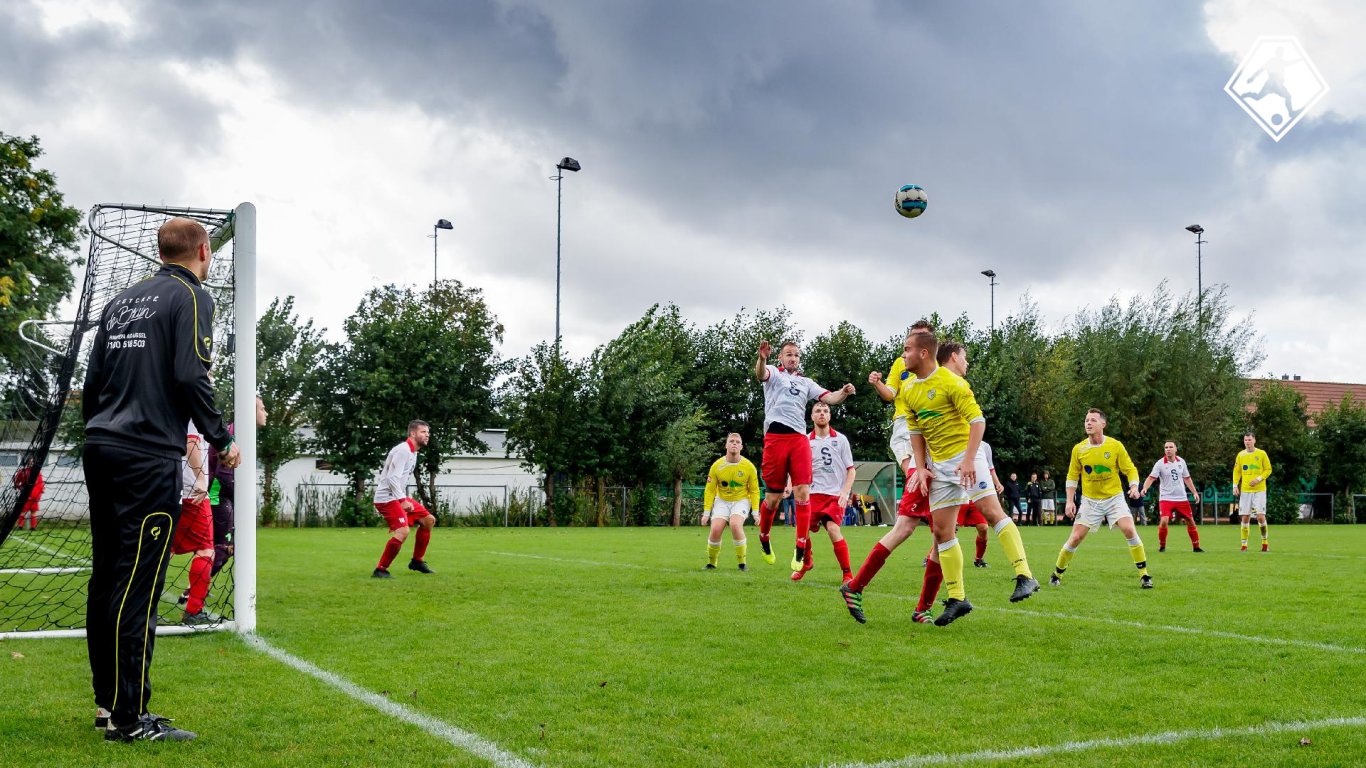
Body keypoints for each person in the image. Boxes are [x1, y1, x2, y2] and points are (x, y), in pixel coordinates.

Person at [82, 217, 240, 741]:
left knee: (106, 577)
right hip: (146, 455)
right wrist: (222, 439)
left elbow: (94, 382)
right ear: (203, 250)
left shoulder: (121, 302)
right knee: (138, 585)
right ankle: (129, 718)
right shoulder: (192, 296)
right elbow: (191, 375)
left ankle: (107, 704)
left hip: (100, 446)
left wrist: (100, 433)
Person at [840, 330, 1038, 626]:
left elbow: (978, 421)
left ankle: (1024, 575)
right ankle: (957, 598)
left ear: (923, 353)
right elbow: (916, 432)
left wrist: (970, 459)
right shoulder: (908, 391)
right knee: (943, 533)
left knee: (990, 511)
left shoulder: (952, 382)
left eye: (906, 349)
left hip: (966, 458)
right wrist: (920, 468)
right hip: (939, 467)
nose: (902, 355)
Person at [753, 340, 854, 573]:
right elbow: (760, 374)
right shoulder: (774, 375)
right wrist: (761, 358)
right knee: (773, 499)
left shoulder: (805, 382)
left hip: (798, 439)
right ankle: (764, 538)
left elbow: (829, 398)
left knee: (802, 490)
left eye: (796, 355)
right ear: (780, 358)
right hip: (775, 438)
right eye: (789, 355)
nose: (793, 358)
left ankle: (800, 547)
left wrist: (844, 393)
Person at [1050, 409, 1153, 589]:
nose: (1088, 423)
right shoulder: (1079, 449)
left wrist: (1134, 486)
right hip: (1090, 501)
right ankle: (1057, 574)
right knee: (1075, 537)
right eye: (1086, 420)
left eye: (1093, 420)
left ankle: (1144, 575)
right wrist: (1069, 501)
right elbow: (1072, 477)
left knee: (1129, 529)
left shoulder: (1115, 446)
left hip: (1114, 498)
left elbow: (1130, 469)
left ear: (1102, 424)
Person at [792, 402, 857, 583]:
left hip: (834, 495)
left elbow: (851, 469)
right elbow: (796, 468)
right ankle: (807, 563)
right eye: (818, 411)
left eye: (826, 411)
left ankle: (847, 573)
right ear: (812, 417)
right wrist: (789, 485)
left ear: (830, 416)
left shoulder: (841, 440)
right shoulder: (804, 441)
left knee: (833, 529)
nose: (822, 414)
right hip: (811, 495)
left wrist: (845, 492)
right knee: (802, 531)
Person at [371, 420, 437, 578]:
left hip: (396, 496)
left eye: (428, 432)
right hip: (387, 498)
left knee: (428, 520)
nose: (427, 435)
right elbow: (392, 478)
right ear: (413, 433)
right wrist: (402, 500)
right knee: (403, 531)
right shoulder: (403, 450)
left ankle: (417, 562)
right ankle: (380, 569)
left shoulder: (413, 452)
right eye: (423, 432)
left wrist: (402, 498)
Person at [171, 421, 215, 626]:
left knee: (162, 550)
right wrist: (200, 478)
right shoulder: (191, 411)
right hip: (191, 494)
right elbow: (191, 442)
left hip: (167, 487)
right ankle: (194, 611)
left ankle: (136, 604)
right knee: (205, 550)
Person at [701, 433, 759, 572]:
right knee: (715, 529)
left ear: (741, 446)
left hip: (741, 500)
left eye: (737, 442)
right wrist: (706, 513)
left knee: (735, 524)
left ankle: (742, 563)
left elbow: (754, 491)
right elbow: (709, 491)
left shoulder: (749, 467)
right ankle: (711, 563)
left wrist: (756, 513)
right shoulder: (717, 466)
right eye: (731, 441)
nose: (734, 443)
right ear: (726, 445)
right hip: (722, 501)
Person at [1141, 441, 1202, 553]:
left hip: (1181, 498)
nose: (1168, 449)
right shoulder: (1160, 463)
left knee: (1190, 521)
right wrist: (1145, 488)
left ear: (1175, 449)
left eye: (1170, 447)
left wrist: (1194, 492)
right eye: (1166, 447)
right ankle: (1162, 546)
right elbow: (1151, 478)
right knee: (1164, 521)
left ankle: (1196, 547)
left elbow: (1187, 478)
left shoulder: (1181, 462)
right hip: (1166, 498)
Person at [1233, 432, 1272, 552]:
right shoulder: (1240, 455)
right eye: (1245, 440)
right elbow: (1237, 471)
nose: (1247, 442)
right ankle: (1244, 545)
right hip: (1245, 491)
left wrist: (1258, 479)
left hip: (1259, 490)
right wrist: (1235, 486)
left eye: (1249, 440)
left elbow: (1268, 469)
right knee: (1245, 518)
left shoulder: (1261, 454)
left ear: (1254, 440)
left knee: (1260, 517)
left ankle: (1265, 543)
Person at [13, 460, 44, 531]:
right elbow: (16, 482)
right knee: (22, 511)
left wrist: (40, 494)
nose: (31, 463)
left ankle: (33, 527)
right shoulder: (22, 471)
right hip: (25, 496)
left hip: (34, 496)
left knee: (33, 512)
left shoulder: (37, 472)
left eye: (32, 462)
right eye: (30, 461)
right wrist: (20, 487)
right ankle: (20, 526)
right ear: (26, 462)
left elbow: (41, 484)